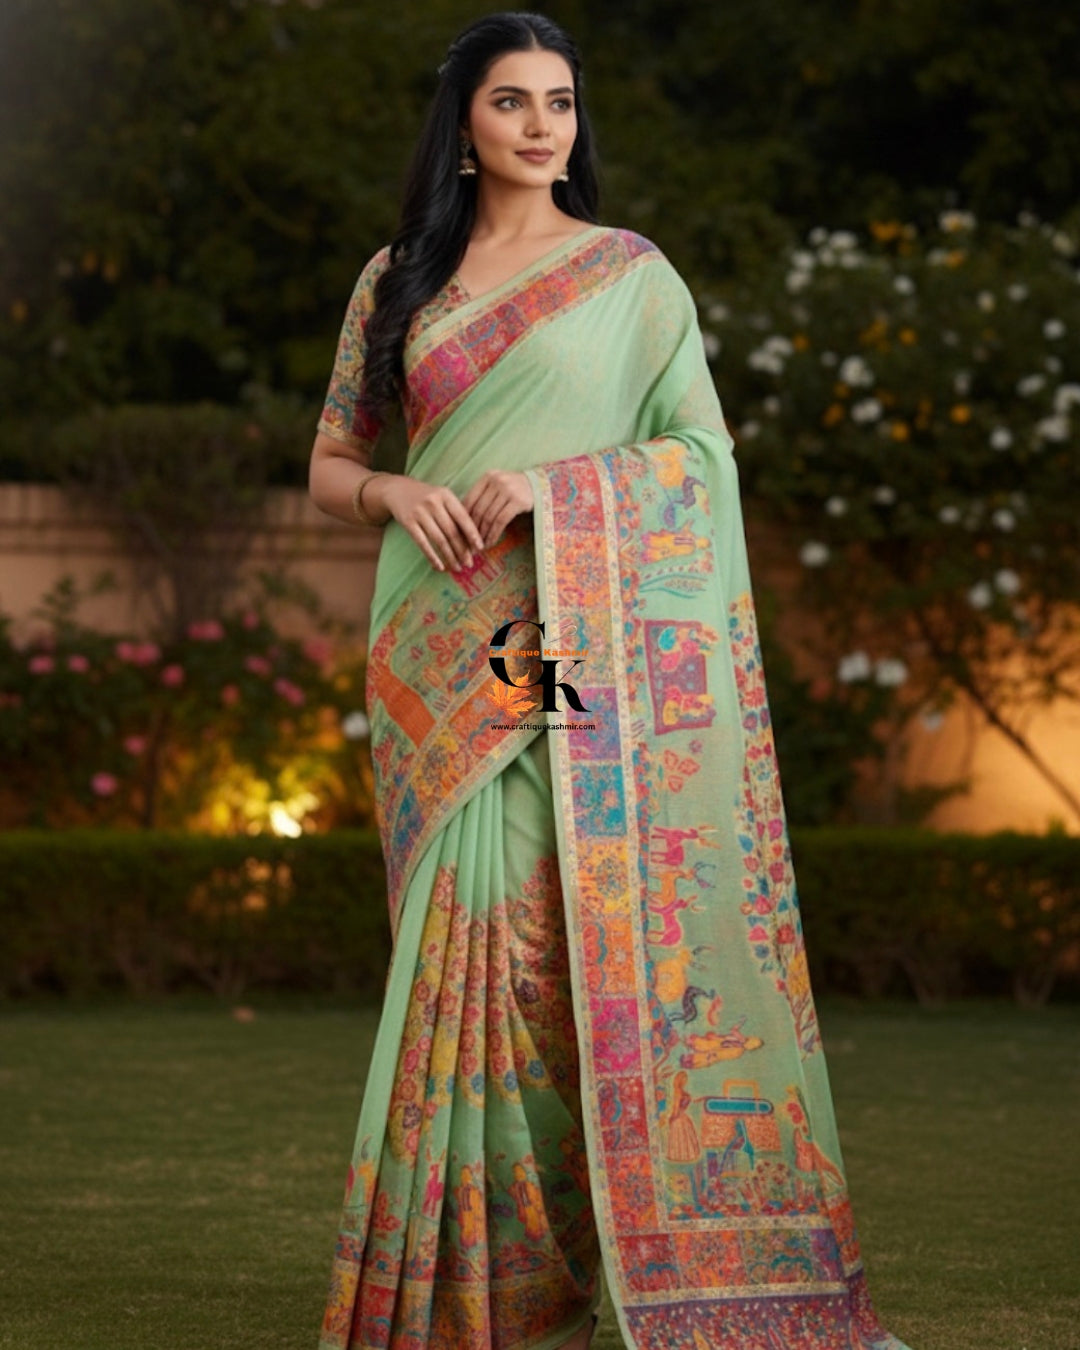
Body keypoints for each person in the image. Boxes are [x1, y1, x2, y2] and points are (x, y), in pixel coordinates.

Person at [308, 12, 914, 1350]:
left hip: (559, 630)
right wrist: (396, 492)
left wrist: (556, 485)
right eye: (512, 101)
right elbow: (332, 461)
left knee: (543, 923)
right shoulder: (397, 279)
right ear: (464, 125)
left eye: (561, 103)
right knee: (456, 921)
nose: (541, 126)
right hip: (431, 628)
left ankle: (552, 1262)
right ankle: (464, 1277)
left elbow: (699, 456)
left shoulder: (629, 277)